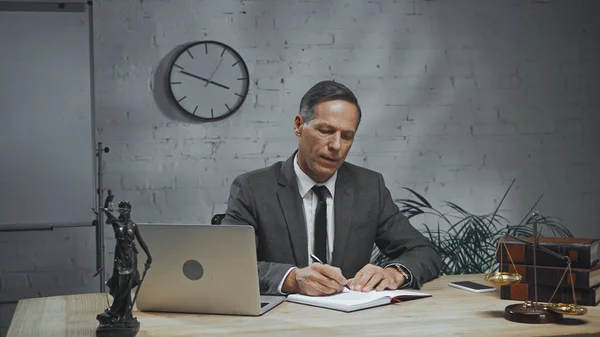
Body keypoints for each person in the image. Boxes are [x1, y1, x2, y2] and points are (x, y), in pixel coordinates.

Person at [222, 80, 441, 296]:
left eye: (347, 136)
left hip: (351, 320)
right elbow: (228, 264)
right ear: (299, 125)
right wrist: (292, 279)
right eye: (326, 130)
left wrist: (395, 273)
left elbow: (423, 251)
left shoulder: (369, 187)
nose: (336, 145)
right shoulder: (252, 188)